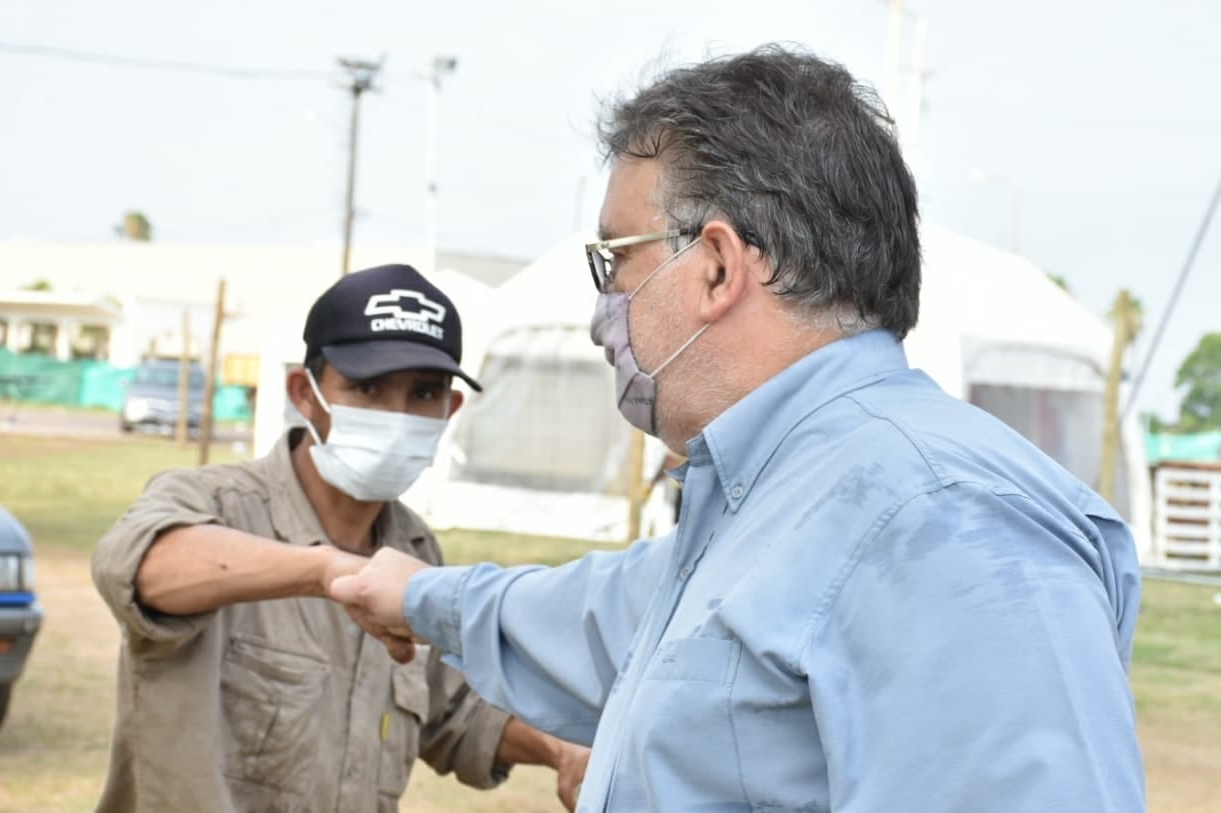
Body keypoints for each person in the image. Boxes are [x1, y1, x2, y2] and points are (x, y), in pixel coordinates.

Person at [328, 44, 1146, 812]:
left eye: (616, 261)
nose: (599, 316)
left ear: (716, 265)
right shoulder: (773, 500)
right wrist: (418, 596)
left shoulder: (943, 519)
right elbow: (602, 615)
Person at [91, 264, 588, 812]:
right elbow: (140, 567)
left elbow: (451, 712)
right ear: (305, 393)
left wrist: (562, 749)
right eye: (368, 388)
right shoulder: (214, 505)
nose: (398, 416)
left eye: (423, 393)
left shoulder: (414, 549)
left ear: (449, 411)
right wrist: (327, 570)